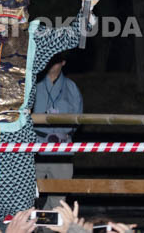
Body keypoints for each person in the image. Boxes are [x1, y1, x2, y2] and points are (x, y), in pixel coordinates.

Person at [0, 0, 99, 224]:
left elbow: (74, 35)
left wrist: (87, 9)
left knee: (18, 213)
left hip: (16, 135)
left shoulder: (34, 39)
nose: (11, 6)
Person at [33, 52, 82, 209]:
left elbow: (78, 117)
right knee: (26, 196)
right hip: (36, 147)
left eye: (56, 60)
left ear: (63, 62)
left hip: (62, 148)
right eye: (49, 59)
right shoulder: (33, 84)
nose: (52, 63)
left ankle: (47, 229)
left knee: (59, 200)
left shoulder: (71, 87)